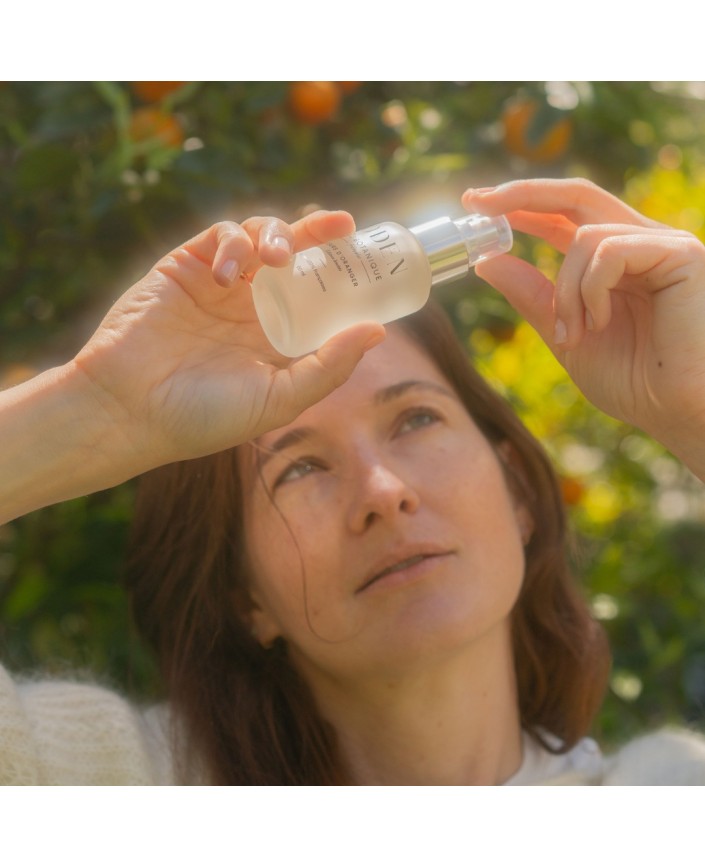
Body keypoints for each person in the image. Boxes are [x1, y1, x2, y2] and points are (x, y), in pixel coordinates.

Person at [2, 178, 705, 785]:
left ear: (516, 488)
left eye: (414, 420)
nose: (380, 490)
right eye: (299, 466)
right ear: (245, 595)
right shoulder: (109, 781)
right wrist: (95, 408)